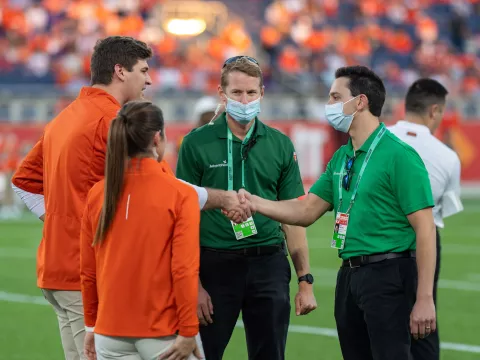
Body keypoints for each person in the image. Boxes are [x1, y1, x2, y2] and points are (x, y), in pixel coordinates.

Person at [10, 36, 248, 360]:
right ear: (120, 71)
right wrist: (224, 199)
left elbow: (22, 183)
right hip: (88, 275)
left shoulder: (65, 117)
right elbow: (164, 189)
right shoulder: (113, 121)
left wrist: (62, 222)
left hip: (56, 270)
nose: (149, 79)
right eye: (143, 70)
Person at [238, 66, 437, 360]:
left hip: (389, 274)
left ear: (360, 102)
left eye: (335, 97)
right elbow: (306, 210)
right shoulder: (342, 157)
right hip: (350, 277)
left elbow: (425, 228)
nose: (329, 105)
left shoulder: (399, 155)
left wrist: (424, 298)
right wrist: (256, 203)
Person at [176, 56, 317, 360]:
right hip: (214, 266)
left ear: (262, 93)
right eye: (237, 93)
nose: (244, 100)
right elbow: (181, 218)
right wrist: (194, 285)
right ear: (222, 94)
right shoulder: (195, 143)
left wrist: (305, 280)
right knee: (202, 354)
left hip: (268, 263)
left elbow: (292, 216)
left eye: (251, 93)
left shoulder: (280, 144)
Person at [80, 101, 202, 360]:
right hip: (162, 330)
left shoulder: (97, 193)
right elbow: (184, 269)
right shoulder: (180, 194)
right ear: (157, 137)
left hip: (109, 331)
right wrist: (189, 330)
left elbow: (88, 270)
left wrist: (91, 324)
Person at [388, 78, 464, 360]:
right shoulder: (447, 157)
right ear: (434, 111)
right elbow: (441, 216)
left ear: (403, 106)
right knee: (424, 330)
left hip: (376, 245)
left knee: (378, 331)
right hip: (424, 245)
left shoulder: (378, 138)